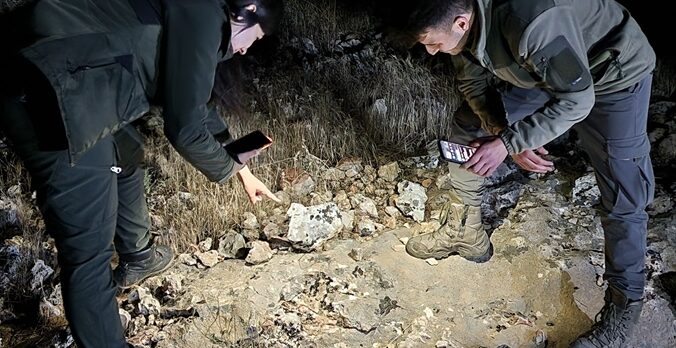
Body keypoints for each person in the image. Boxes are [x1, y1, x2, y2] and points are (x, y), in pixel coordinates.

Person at [0, 0, 283, 346]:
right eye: (255, 37)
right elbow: (185, 130)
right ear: (248, 8)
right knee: (88, 255)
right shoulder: (204, 11)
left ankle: (138, 256)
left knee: (127, 153)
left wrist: (240, 168)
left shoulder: (192, 12)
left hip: (74, 76)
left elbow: (191, 98)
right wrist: (226, 167)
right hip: (55, 93)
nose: (247, 48)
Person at [378, 0, 656, 346]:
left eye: (431, 42)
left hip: (612, 73)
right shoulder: (460, 23)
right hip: (541, 70)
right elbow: (474, 87)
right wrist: (502, 132)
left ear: (462, 23)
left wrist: (510, 142)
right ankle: (466, 232)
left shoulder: (529, 21)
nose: (431, 52)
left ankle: (623, 309)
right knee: (469, 126)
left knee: (623, 188)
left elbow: (577, 100)